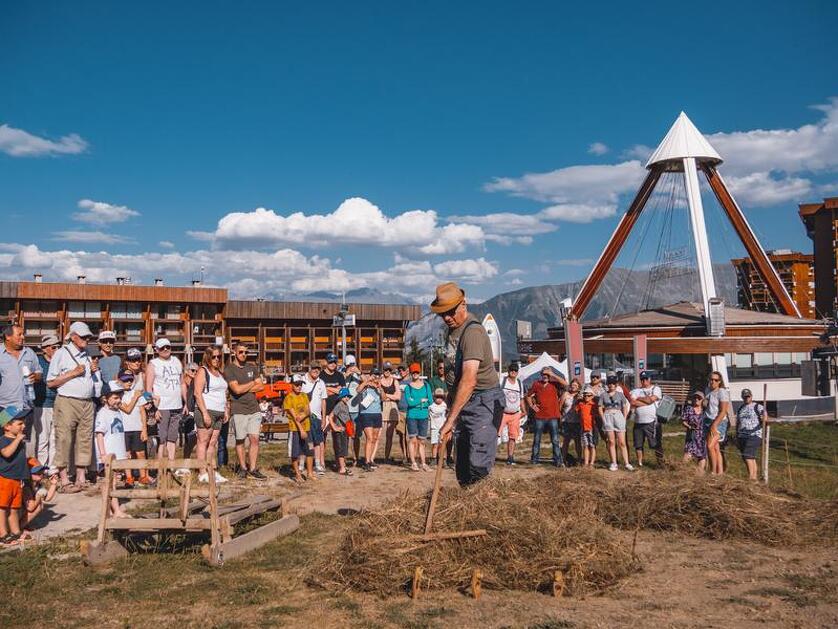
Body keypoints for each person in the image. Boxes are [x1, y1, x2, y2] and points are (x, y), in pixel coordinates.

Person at [434, 282, 504, 486]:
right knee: (463, 467)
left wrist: (449, 421)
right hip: (464, 401)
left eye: (450, 312)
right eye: (442, 314)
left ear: (463, 304)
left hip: (483, 402)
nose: (446, 317)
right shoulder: (453, 329)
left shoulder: (472, 332)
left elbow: (469, 379)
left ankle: (483, 510)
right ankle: (467, 507)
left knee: (478, 466)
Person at [47, 321, 96, 493]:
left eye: (88, 336)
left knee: (84, 438)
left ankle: (81, 478)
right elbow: (51, 382)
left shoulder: (87, 353)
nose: (87, 339)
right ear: (73, 337)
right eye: (83, 337)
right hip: (67, 400)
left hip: (87, 401)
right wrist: (72, 373)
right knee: (64, 438)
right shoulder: (61, 353)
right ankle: (64, 480)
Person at [224, 342, 266, 479]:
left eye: (246, 352)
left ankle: (253, 468)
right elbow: (235, 390)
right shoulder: (229, 369)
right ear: (234, 352)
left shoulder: (252, 367)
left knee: (254, 439)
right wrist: (252, 383)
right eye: (241, 352)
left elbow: (261, 387)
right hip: (239, 409)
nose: (243, 355)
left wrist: (244, 387)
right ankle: (242, 468)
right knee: (240, 439)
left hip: (254, 408)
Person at [145, 338, 185, 463]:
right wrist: (153, 408)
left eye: (168, 347)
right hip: (161, 406)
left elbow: (182, 383)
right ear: (156, 350)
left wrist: (185, 402)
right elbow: (148, 388)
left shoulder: (177, 361)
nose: (166, 349)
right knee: (161, 438)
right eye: (162, 348)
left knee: (173, 438)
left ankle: (171, 465)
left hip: (177, 405)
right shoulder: (153, 364)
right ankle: (160, 467)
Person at [1, 324, 42, 446]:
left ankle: (22, 465)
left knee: (24, 442)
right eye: (19, 334)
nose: (23, 337)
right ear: (8, 337)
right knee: (3, 440)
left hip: (26, 407)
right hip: (5, 408)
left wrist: (36, 376)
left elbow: (39, 372)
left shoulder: (29, 353)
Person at [93, 382, 129, 518]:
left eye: (119, 397)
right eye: (115, 398)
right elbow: (99, 434)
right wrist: (102, 454)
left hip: (118, 452)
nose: (118, 400)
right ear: (105, 398)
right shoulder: (103, 413)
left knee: (113, 482)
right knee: (110, 483)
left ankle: (111, 509)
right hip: (108, 454)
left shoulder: (117, 412)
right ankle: (115, 510)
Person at [194, 347, 229, 484]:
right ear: (208, 357)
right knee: (203, 441)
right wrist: (204, 413)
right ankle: (202, 472)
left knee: (213, 442)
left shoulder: (220, 373)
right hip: (206, 410)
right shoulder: (203, 371)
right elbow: (198, 393)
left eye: (219, 357)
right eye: (214, 357)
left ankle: (211, 470)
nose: (216, 359)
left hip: (219, 411)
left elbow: (224, 394)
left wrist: (226, 410)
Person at [117, 368, 153, 486]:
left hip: (137, 428)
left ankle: (143, 476)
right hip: (124, 429)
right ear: (119, 381)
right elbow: (127, 409)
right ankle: (129, 478)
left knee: (140, 453)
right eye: (125, 380)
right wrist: (135, 397)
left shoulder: (136, 393)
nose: (128, 382)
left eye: (130, 380)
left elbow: (142, 412)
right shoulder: (117, 395)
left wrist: (144, 429)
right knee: (127, 454)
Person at [32, 334, 61, 479]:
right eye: (53, 347)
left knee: (55, 439)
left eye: (58, 346)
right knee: (42, 438)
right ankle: (42, 468)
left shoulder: (60, 361)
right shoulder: (38, 362)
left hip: (58, 403)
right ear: (45, 349)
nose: (56, 349)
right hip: (41, 404)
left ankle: (53, 470)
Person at [527, 367, 566, 467]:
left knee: (555, 439)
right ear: (541, 374)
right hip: (539, 416)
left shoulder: (555, 383)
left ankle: (557, 460)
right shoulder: (536, 384)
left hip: (553, 415)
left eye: (547, 374)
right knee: (537, 439)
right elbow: (528, 396)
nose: (546, 376)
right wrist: (532, 406)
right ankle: (534, 459)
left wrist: (552, 374)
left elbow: (566, 384)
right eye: (544, 374)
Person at [0, 406, 28, 546]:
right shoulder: (3, 440)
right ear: (7, 426)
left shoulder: (19, 440)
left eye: (24, 422)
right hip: (5, 479)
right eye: (20, 423)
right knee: (2, 507)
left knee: (14, 508)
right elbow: (6, 453)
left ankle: (15, 532)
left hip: (17, 479)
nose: (24, 426)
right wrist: (17, 440)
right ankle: (3, 534)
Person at [599, 375, 633, 471]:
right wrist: (603, 418)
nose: (611, 385)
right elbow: (600, 407)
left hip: (618, 416)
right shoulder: (603, 395)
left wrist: (624, 417)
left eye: (613, 383)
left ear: (616, 384)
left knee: (622, 442)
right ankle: (614, 463)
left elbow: (625, 406)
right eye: (609, 383)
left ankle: (627, 463)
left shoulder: (620, 394)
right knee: (611, 441)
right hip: (608, 416)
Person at [319, 352, 346, 471]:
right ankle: (321, 462)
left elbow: (343, 392)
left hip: (336, 411)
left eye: (334, 362)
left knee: (338, 438)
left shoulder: (339, 375)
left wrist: (328, 389)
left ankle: (338, 462)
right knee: (322, 439)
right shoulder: (320, 375)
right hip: (323, 411)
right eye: (330, 362)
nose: (332, 364)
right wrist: (335, 389)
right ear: (326, 362)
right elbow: (321, 391)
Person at [283, 378, 314, 482]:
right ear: (292, 385)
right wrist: (301, 430)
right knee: (295, 452)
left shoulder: (304, 395)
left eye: (300, 384)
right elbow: (294, 416)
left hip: (307, 427)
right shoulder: (289, 398)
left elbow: (308, 410)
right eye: (296, 384)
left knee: (310, 450)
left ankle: (310, 473)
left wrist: (304, 415)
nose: (299, 386)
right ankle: (297, 474)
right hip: (295, 429)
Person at [403, 362, 432, 472]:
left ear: (420, 372)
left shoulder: (426, 385)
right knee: (413, 440)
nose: (415, 374)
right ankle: (413, 462)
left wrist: (420, 403)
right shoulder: (408, 388)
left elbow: (430, 400)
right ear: (410, 373)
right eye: (413, 372)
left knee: (422, 441)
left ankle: (423, 463)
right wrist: (420, 401)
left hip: (423, 416)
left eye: (417, 372)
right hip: (412, 416)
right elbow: (409, 403)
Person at [630, 371, 663, 467]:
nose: (644, 381)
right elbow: (632, 402)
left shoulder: (656, 389)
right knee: (638, 444)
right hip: (638, 422)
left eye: (646, 379)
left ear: (649, 379)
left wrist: (640, 399)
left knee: (655, 443)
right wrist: (647, 402)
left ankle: (660, 463)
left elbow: (651, 399)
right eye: (642, 379)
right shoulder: (635, 390)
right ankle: (640, 463)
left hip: (652, 421)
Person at [499, 362, 528, 465]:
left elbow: (521, 399)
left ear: (517, 372)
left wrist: (524, 410)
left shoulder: (519, 383)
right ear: (508, 371)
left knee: (513, 436)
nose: (513, 372)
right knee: (496, 435)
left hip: (515, 414)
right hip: (503, 413)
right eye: (512, 370)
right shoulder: (502, 381)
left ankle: (510, 458)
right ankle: (490, 457)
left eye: (515, 370)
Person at [301, 362, 328, 475]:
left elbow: (323, 401)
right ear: (309, 369)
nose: (316, 370)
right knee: (305, 442)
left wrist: (323, 418)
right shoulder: (302, 381)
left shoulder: (321, 383)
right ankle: (301, 465)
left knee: (317, 442)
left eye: (318, 369)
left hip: (317, 417)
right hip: (304, 417)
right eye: (314, 368)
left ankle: (317, 464)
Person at [356, 368, 384, 471]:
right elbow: (358, 390)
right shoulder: (365, 385)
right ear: (371, 375)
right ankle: (366, 462)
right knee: (369, 438)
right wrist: (367, 381)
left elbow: (384, 398)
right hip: (366, 414)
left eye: (378, 375)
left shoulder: (379, 386)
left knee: (375, 438)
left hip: (377, 413)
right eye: (374, 374)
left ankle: (371, 459)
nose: (376, 377)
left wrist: (380, 388)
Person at [704, 371, 730, 476]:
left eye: (715, 380)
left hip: (719, 421)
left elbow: (723, 411)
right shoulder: (707, 390)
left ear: (719, 382)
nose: (713, 381)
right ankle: (720, 472)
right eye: (711, 379)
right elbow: (707, 405)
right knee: (715, 448)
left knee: (709, 446)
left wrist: (714, 425)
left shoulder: (722, 392)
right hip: (708, 419)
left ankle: (713, 472)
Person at [735, 389, 764, 481]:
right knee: (748, 457)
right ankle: (754, 478)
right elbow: (738, 422)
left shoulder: (757, 406)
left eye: (748, 396)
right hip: (742, 435)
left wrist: (764, 418)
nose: (746, 398)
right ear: (742, 397)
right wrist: (737, 434)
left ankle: (751, 478)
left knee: (747, 455)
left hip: (754, 434)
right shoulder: (740, 408)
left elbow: (765, 415)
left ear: (751, 396)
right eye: (744, 396)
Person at [379, 363, 404, 464]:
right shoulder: (380, 381)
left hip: (393, 407)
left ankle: (387, 457)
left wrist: (387, 395)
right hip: (382, 407)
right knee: (379, 434)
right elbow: (381, 397)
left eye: (389, 370)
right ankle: (374, 458)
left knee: (390, 434)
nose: (387, 371)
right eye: (385, 370)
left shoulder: (395, 381)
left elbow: (398, 396)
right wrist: (390, 396)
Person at [328, 387, 353, 476]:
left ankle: (342, 465)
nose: (347, 398)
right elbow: (330, 416)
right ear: (340, 397)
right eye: (345, 396)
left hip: (345, 430)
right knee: (341, 450)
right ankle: (342, 468)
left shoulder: (345, 405)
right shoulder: (339, 405)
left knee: (344, 449)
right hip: (340, 431)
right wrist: (334, 427)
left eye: (348, 396)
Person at [343, 355, 362, 466]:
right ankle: (344, 458)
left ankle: (356, 458)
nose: (351, 367)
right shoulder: (342, 375)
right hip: (345, 409)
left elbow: (365, 380)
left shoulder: (357, 375)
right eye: (349, 365)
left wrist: (358, 372)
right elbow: (339, 383)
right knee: (345, 435)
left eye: (353, 365)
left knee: (356, 436)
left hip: (356, 409)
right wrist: (346, 374)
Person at [682, 391, 707, 471]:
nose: (696, 399)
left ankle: (699, 476)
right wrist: (689, 426)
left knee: (702, 456)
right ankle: (682, 472)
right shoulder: (689, 409)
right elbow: (683, 421)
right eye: (695, 397)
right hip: (692, 435)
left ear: (702, 400)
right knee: (687, 455)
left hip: (702, 437)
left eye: (699, 398)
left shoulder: (706, 411)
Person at [576, 386, 600, 467]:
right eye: (585, 395)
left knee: (592, 446)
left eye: (589, 395)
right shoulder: (580, 404)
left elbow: (599, 413)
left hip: (592, 428)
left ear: (592, 396)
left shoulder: (594, 405)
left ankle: (591, 463)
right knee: (585, 446)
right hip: (583, 428)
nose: (586, 397)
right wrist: (578, 399)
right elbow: (575, 410)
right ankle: (586, 462)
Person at [560, 379, 582, 465]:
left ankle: (579, 459)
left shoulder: (579, 395)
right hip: (567, 421)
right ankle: (563, 459)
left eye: (575, 385)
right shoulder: (566, 394)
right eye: (572, 385)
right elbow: (560, 406)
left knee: (577, 441)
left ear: (578, 387)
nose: (573, 387)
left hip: (577, 421)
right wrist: (560, 418)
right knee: (566, 441)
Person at [428, 388, 447, 465]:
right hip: (434, 428)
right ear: (434, 397)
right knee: (435, 444)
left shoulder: (444, 406)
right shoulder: (431, 406)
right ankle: (434, 458)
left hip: (442, 428)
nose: (439, 399)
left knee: (443, 445)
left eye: (441, 397)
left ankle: (444, 459)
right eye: (437, 397)